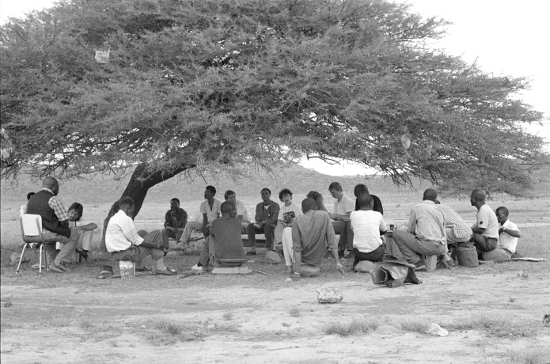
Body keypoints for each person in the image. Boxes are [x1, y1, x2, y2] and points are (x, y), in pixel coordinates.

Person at [105, 197, 176, 275]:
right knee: (157, 234)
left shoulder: (114, 218)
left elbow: (133, 238)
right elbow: (137, 241)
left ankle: (139, 267)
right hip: (126, 254)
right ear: (128, 207)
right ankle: (160, 268)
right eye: (133, 209)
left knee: (142, 233)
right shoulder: (125, 219)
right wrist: (157, 245)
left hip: (116, 254)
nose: (133, 211)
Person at [26, 177, 80, 273]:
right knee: (74, 235)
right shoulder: (53, 199)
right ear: (53, 186)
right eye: (58, 187)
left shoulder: (32, 199)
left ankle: (52, 263)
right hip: (47, 234)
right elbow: (64, 221)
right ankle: (58, 263)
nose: (58, 190)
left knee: (53, 235)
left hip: (32, 234)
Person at [285, 198, 343, 280]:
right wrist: (338, 263)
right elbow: (332, 241)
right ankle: (305, 268)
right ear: (316, 208)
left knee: (286, 230)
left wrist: (297, 272)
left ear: (302, 210)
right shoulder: (324, 215)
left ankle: (289, 266)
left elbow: (297, 248)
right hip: (315, 260)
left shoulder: (297, 220)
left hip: (302, 259)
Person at [389, 189, 446, 269]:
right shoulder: (440, 211)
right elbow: (444, 232)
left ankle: (416, 261)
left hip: (427, 247)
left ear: (423, 198)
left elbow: (410, 230)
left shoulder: (417, 208)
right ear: (436, 199)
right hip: (440, 248)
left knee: (396, 234)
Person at [191, 201, 246, 272]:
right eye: (235, 210)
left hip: (221, 262)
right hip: (240, 261)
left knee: (210, 238)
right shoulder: (238, 222)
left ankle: (201, 264)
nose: (236, 212)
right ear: (231, 212)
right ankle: (202, 263)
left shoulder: (216, 222)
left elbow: (211, 234)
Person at [176, 186, 221, 250]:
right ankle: (182, 243)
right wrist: (204, 226)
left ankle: (210, 247)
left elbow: (218, 218)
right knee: (190, 224)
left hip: (216, 224)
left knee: (210, 229)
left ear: (212, 193)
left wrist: (210, 226)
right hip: (206, 224)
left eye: (207, 192)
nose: (205, 194)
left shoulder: (219, 203)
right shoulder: (203, 204)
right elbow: (204, 218)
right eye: (205, 192)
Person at [350, 194, 387, 267]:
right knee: (384, 239)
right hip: (376, 254)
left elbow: (352, 228)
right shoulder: (378, 214)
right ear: (371, 203)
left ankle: (357, 262)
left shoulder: (353, 214)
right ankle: (380, 262)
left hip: (359, 254)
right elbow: (384, 229)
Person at [247, 188, 280, 255]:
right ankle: (253, 249)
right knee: (250, 226)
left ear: (270, 195)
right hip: (261, 225)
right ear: (261, 196)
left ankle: (269, 250)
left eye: (266, 193)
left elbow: (274, 219)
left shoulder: (275, 205)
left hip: (271, 226)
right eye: (263, 194)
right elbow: (257, 218)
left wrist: (264, 222)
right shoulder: (259, 206)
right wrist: (259, 224)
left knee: (267, 226)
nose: (265, 195)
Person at [328, 182, 354, 258]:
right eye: (331, 193)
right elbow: (338, 218)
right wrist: (333, 216)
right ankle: (330, 248)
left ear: (339, 190)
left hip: (347, 224)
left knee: (345, 225)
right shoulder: (336, 202)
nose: (333, 195)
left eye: (334, 192)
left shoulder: (347, 201)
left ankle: (342, 249)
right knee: (325, 225)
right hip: (341, 223)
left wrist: (336, 215)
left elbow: (350, 217)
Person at [469, 189, 499, 258]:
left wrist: (467, 230)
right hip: (489, 240)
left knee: (466, 234)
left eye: (471, 197)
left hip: (489, 242)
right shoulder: (483, 209)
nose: (470, 199)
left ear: (476, 198)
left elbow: (481, 230)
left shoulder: (483, 210)